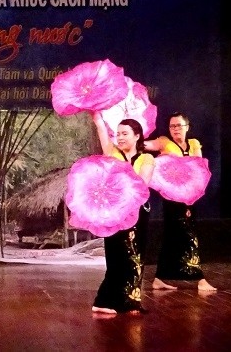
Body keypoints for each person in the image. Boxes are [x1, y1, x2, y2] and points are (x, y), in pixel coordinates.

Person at [144, 112, 217, 292]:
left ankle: (159, 278)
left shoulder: (193, 144)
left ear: (187, 127)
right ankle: (199, 278)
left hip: (190, 197)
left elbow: (199, 170)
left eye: (179, 125)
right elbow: (143, 144)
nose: (175, 129)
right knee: (187, 236)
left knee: (172, 237)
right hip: (171, 198)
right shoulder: (164, 142)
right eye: (172, 126)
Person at [91, 113, 155, 315]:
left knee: (134, 257)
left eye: (124, 133)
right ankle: (105, 300)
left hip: (137, 213)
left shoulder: (147, 158)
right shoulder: (112, 153)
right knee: (115, 256)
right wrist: (97, 116)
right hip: (114, 213)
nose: (120, 137)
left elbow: (142, 185)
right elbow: (101, 129)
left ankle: (129, 300)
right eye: (118, 133)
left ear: (137, 136)